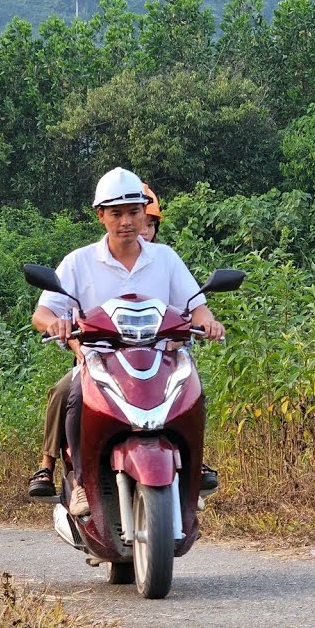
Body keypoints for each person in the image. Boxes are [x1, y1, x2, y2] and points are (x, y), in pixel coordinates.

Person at [31, 168, 225, 516]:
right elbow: (42, 313)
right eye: (116, 213)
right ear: (100, 215)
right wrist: (57, 323)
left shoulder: (164, 258)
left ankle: (194, 468)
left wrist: (208, 322)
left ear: (144, 213)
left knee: (191, 387)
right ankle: (79, 485)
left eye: (134, 212)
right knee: (72, 394)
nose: (126, 222)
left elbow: (197, 306)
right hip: (99, 362)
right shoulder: (79, 261)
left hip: (160, 362)